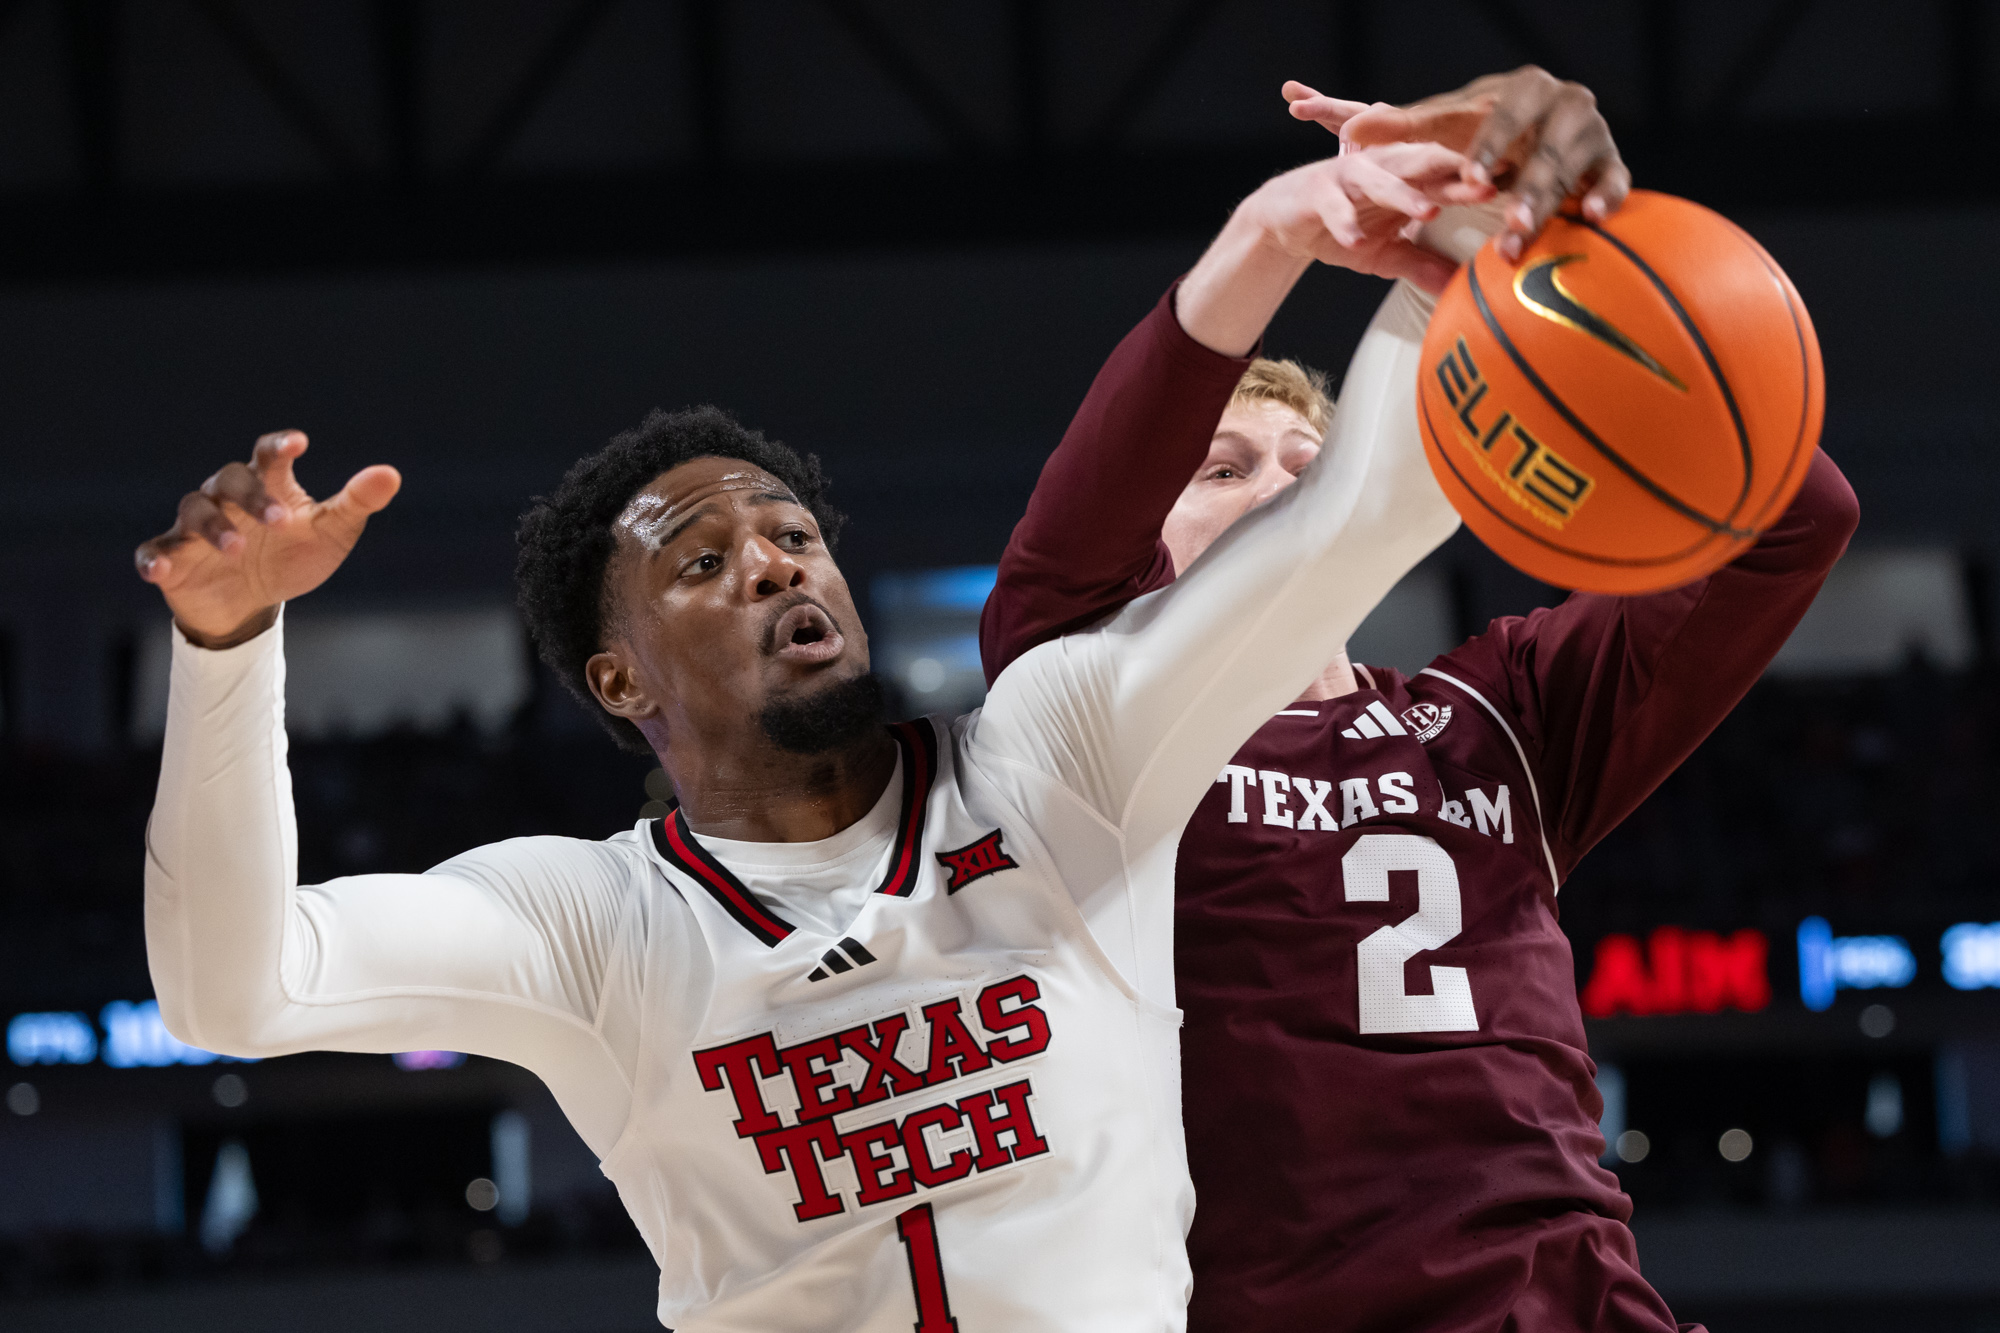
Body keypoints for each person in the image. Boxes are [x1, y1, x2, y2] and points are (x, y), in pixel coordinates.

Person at [133, 135, 1482, 1330]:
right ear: (619, 679)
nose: (778, 566)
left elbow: (1354, 523)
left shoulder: (1056, 760)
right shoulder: (591, 925)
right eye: (705, 562)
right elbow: (233, 991)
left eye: (793, 535)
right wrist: (226, 642)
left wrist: (1459, 246)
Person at [980, 69, 1861, 1333]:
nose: (1276, 485)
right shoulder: (1081, 733)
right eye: (1221, 467)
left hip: (1574, 1302)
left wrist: (1551, 264)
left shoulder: (1500, 707)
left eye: (1309, 462)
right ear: (1150, 533)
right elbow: (1068, 543)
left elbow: (1792, 524)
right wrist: (1273, 235)